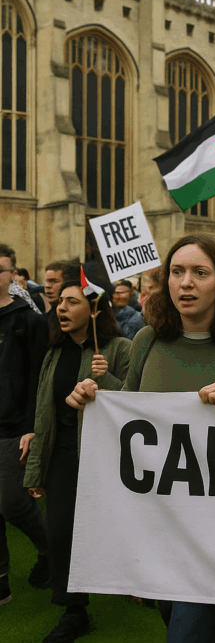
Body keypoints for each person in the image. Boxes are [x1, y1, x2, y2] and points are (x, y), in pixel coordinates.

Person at [65, 234, 215, 643]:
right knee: (173, 614)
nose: (186, 283)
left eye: (200, 273)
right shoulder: (146, 340)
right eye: (177, 272)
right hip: (157, 520)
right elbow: (131, 414)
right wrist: (94, 400)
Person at [24, 272, 132, 641]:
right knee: (60, 533)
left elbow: (139, 403)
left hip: (107, 458)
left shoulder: (118, 349)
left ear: (95, 310)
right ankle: (74, 610)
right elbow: (44, 412)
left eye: (72, 302)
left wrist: (110, 382)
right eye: (59, 303)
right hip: (64, 456)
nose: (61, 309)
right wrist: (37, 469)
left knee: (119, 527)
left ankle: (138, 581)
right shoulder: (54, 354)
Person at [0, 244, 50, 607]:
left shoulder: (27, 320)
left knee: (13, 504)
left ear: (14, 276)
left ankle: (51, 549)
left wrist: (33, 425)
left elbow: (38, 376)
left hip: (13, 426)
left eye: (0, 270)